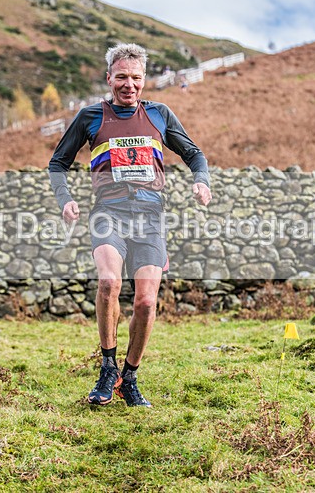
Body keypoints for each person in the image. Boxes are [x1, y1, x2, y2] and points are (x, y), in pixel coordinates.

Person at [48, 43, 212, 407]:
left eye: (136, 78)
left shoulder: (160, 114)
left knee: (146, 303)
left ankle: (129, 377)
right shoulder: (91, 116)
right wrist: (66, 200)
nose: (129, 84)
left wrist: (201, 180)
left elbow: (194, 154)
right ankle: (108, 367)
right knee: (109, 282)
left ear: (143, 80)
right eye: (121, 77)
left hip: (151, 217)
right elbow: (57, 163)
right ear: (109, 78)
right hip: (108, 212)